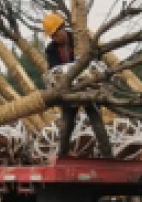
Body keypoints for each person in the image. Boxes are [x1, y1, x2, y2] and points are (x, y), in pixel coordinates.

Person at [42, 13, 113, 158]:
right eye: (52, 36)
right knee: (66, 125)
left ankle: (108, 156)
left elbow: (96, 59)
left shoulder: (81, 40)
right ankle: (62, 156)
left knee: (96, 121)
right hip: (69, 92)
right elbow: (55, 70)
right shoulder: (51, 49)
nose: (54, 38)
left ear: (62, 29)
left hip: (88, 88)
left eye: (55, 35)